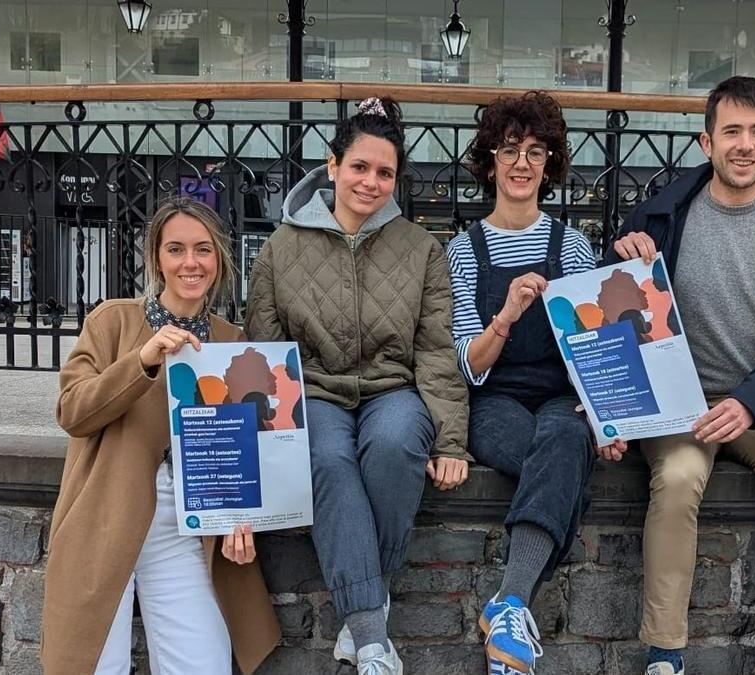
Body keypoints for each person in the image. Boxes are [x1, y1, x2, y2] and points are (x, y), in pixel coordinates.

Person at [605, 76, 755, 675]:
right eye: (732, 130)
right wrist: (622, 259)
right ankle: (665, 654)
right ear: (707, 142)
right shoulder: (660, 215)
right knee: (680, 479)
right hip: (678, 403)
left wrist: (750, 401)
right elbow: (615, 314)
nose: (745, 143)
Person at [244, 97, 470, 675]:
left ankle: (363, 616)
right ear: (333, 165)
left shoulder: (421, 250)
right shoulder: (280, 249)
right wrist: (263, 448)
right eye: (360, 167)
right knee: (326, 458)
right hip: (314, 390)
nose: (371, 182)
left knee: (394, 445)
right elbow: (264, 355)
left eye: (385, 172)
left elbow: (436, 351)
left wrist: (449, 440)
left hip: (393, 388)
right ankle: (373, 639)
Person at [43, 197, 280, 674]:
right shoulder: (113, 321)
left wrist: (241, 516)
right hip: (104, 515)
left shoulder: (232, 341)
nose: (190, 263)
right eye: (175, 249)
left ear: (219, 259)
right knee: (91, 665)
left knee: (202, 664)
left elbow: (245, 451)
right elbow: (73, 410)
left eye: (202, 249)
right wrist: (142, 361)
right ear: (156, 258)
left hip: (185, 526)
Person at [447, 90, 621, 674]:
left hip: (558, 393)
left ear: (549, 165)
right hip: (493, 399)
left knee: (570, 436)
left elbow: (592, 345)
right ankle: (512, 607)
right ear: (490, 160)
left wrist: (605, 414)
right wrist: (508, 315)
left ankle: (509, 601)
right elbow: (470, 363)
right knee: (565, 461)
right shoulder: (463, 249)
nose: (522, 163)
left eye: (536, 152)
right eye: (510, 149)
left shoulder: (571, 244)